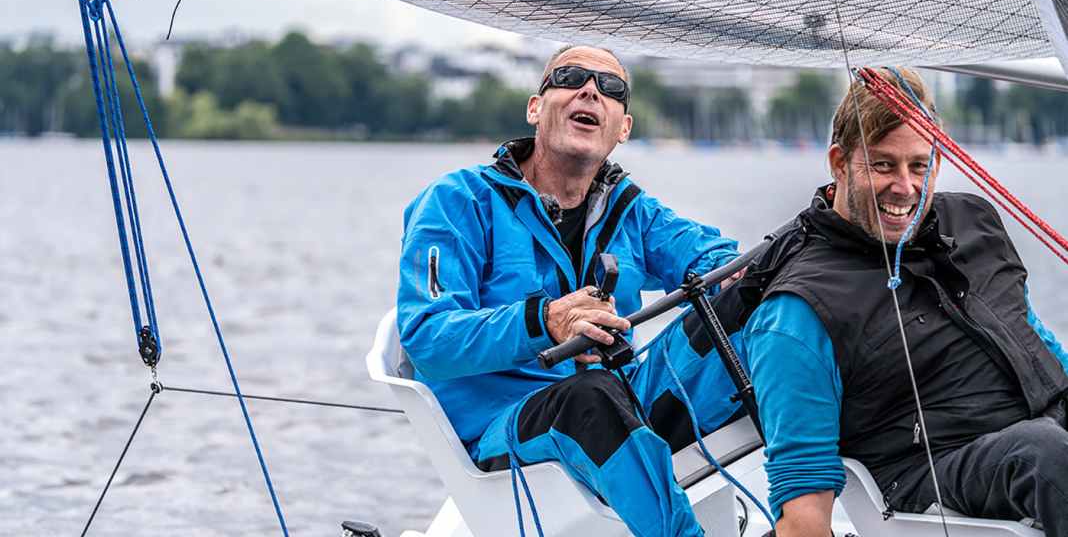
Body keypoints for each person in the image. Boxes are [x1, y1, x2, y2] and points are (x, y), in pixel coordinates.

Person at [397, 45, 745, 536]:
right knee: (590, 395)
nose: (590, 90)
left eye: (611, 89)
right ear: (535, 108)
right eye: (571, 77)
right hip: (505, 432)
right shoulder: (456, 201)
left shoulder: (632, 211)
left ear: (623, 128)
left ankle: (807, 511)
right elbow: (427, 339)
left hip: (623, 409)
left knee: (754, 307)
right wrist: (546, 320)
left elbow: (711, 255)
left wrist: (734, 276)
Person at [734, 67, 1068, 537]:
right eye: (884, 165)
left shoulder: (974, 221)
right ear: (839, 162)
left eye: (919, 165)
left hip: (1041, 426)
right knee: (1045, 452)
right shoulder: (796, 313)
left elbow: (1026, 329)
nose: (906, 188)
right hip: (929, 473)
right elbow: (804, 517)